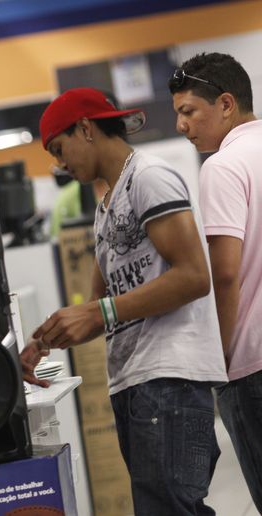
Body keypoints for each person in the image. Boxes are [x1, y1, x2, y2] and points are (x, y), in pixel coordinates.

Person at [21, 87, 227, 515]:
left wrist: (101, 310)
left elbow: (194, 276)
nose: (60, 163)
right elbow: (98, 305)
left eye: (60, 149)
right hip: (136, 382)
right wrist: (42, 343)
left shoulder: (149, 177)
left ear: (85, 128)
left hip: (169, 377)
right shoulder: (106, 203)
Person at [169, 52, 262, 511]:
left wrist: (218, 361)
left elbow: (225, 274)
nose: (182, 127)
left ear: (226, 103)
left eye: (189, 112)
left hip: (252, 364)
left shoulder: (223, 167)